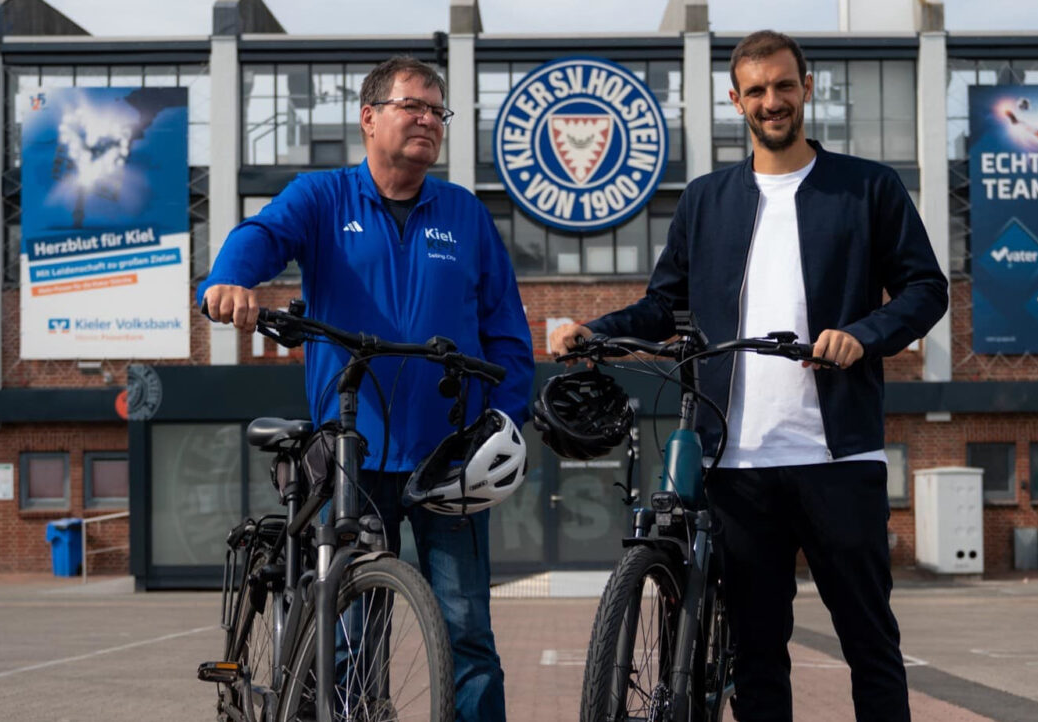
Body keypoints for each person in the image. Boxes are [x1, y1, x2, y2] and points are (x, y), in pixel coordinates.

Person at [548, 30, 948, 722]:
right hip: (734, 464)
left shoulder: (868, 188)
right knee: (757, 655)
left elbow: (925, 288)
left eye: (784, 85)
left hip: (839, 458)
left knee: (869, 644)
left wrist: (862, 335)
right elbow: (663, 305)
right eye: (757, 90)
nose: (772, 101)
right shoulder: (706, 201)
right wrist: (595, 331)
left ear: (807, 88)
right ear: (735, 100)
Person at [198, 56, 531, 722]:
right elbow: (262, 233)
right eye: (415, 106)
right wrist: (232, 277)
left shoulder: (464, 215)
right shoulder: (323, 198)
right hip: (353, 457)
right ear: (369, 117)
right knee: (352, 644)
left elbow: (509, 339)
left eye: (438, 111)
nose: (429, 120)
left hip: (452, 463)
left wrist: (501, 423)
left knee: (468, 637)